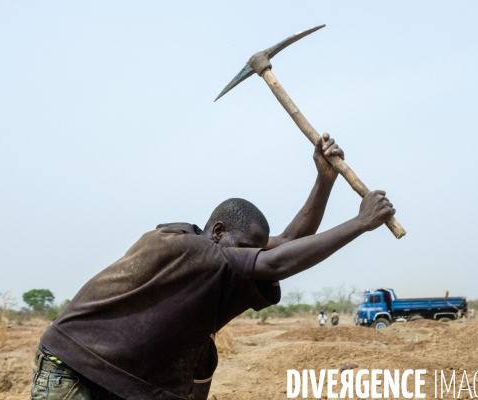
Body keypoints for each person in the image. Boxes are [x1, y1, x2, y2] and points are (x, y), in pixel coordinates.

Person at [31, 134, 396, 400]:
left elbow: (285, 243)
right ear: (218, 232)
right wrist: (360, 223)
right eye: (248, 249)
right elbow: (276, 260)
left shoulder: (212, 253)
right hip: (74, 368)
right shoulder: (188, 248)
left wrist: (324, 180)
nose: (252, 263)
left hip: (119, 376)